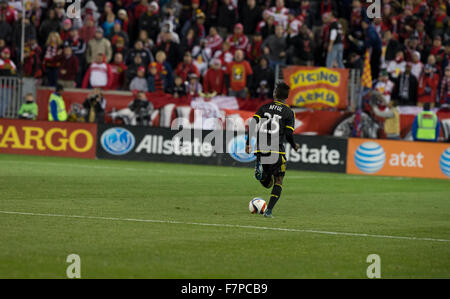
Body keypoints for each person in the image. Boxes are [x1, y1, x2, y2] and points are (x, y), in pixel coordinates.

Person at [245, 82, 299, 218]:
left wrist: (247, 143)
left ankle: (261, 171)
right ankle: (268, 211)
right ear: (286, 97)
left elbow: (253, 123)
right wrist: (293, 145)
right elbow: (288, 134)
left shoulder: (264, 108)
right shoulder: (289, 112)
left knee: (267, 183)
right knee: (278, 181)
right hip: (276, 151)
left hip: (261, 149)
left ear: (275, 94)